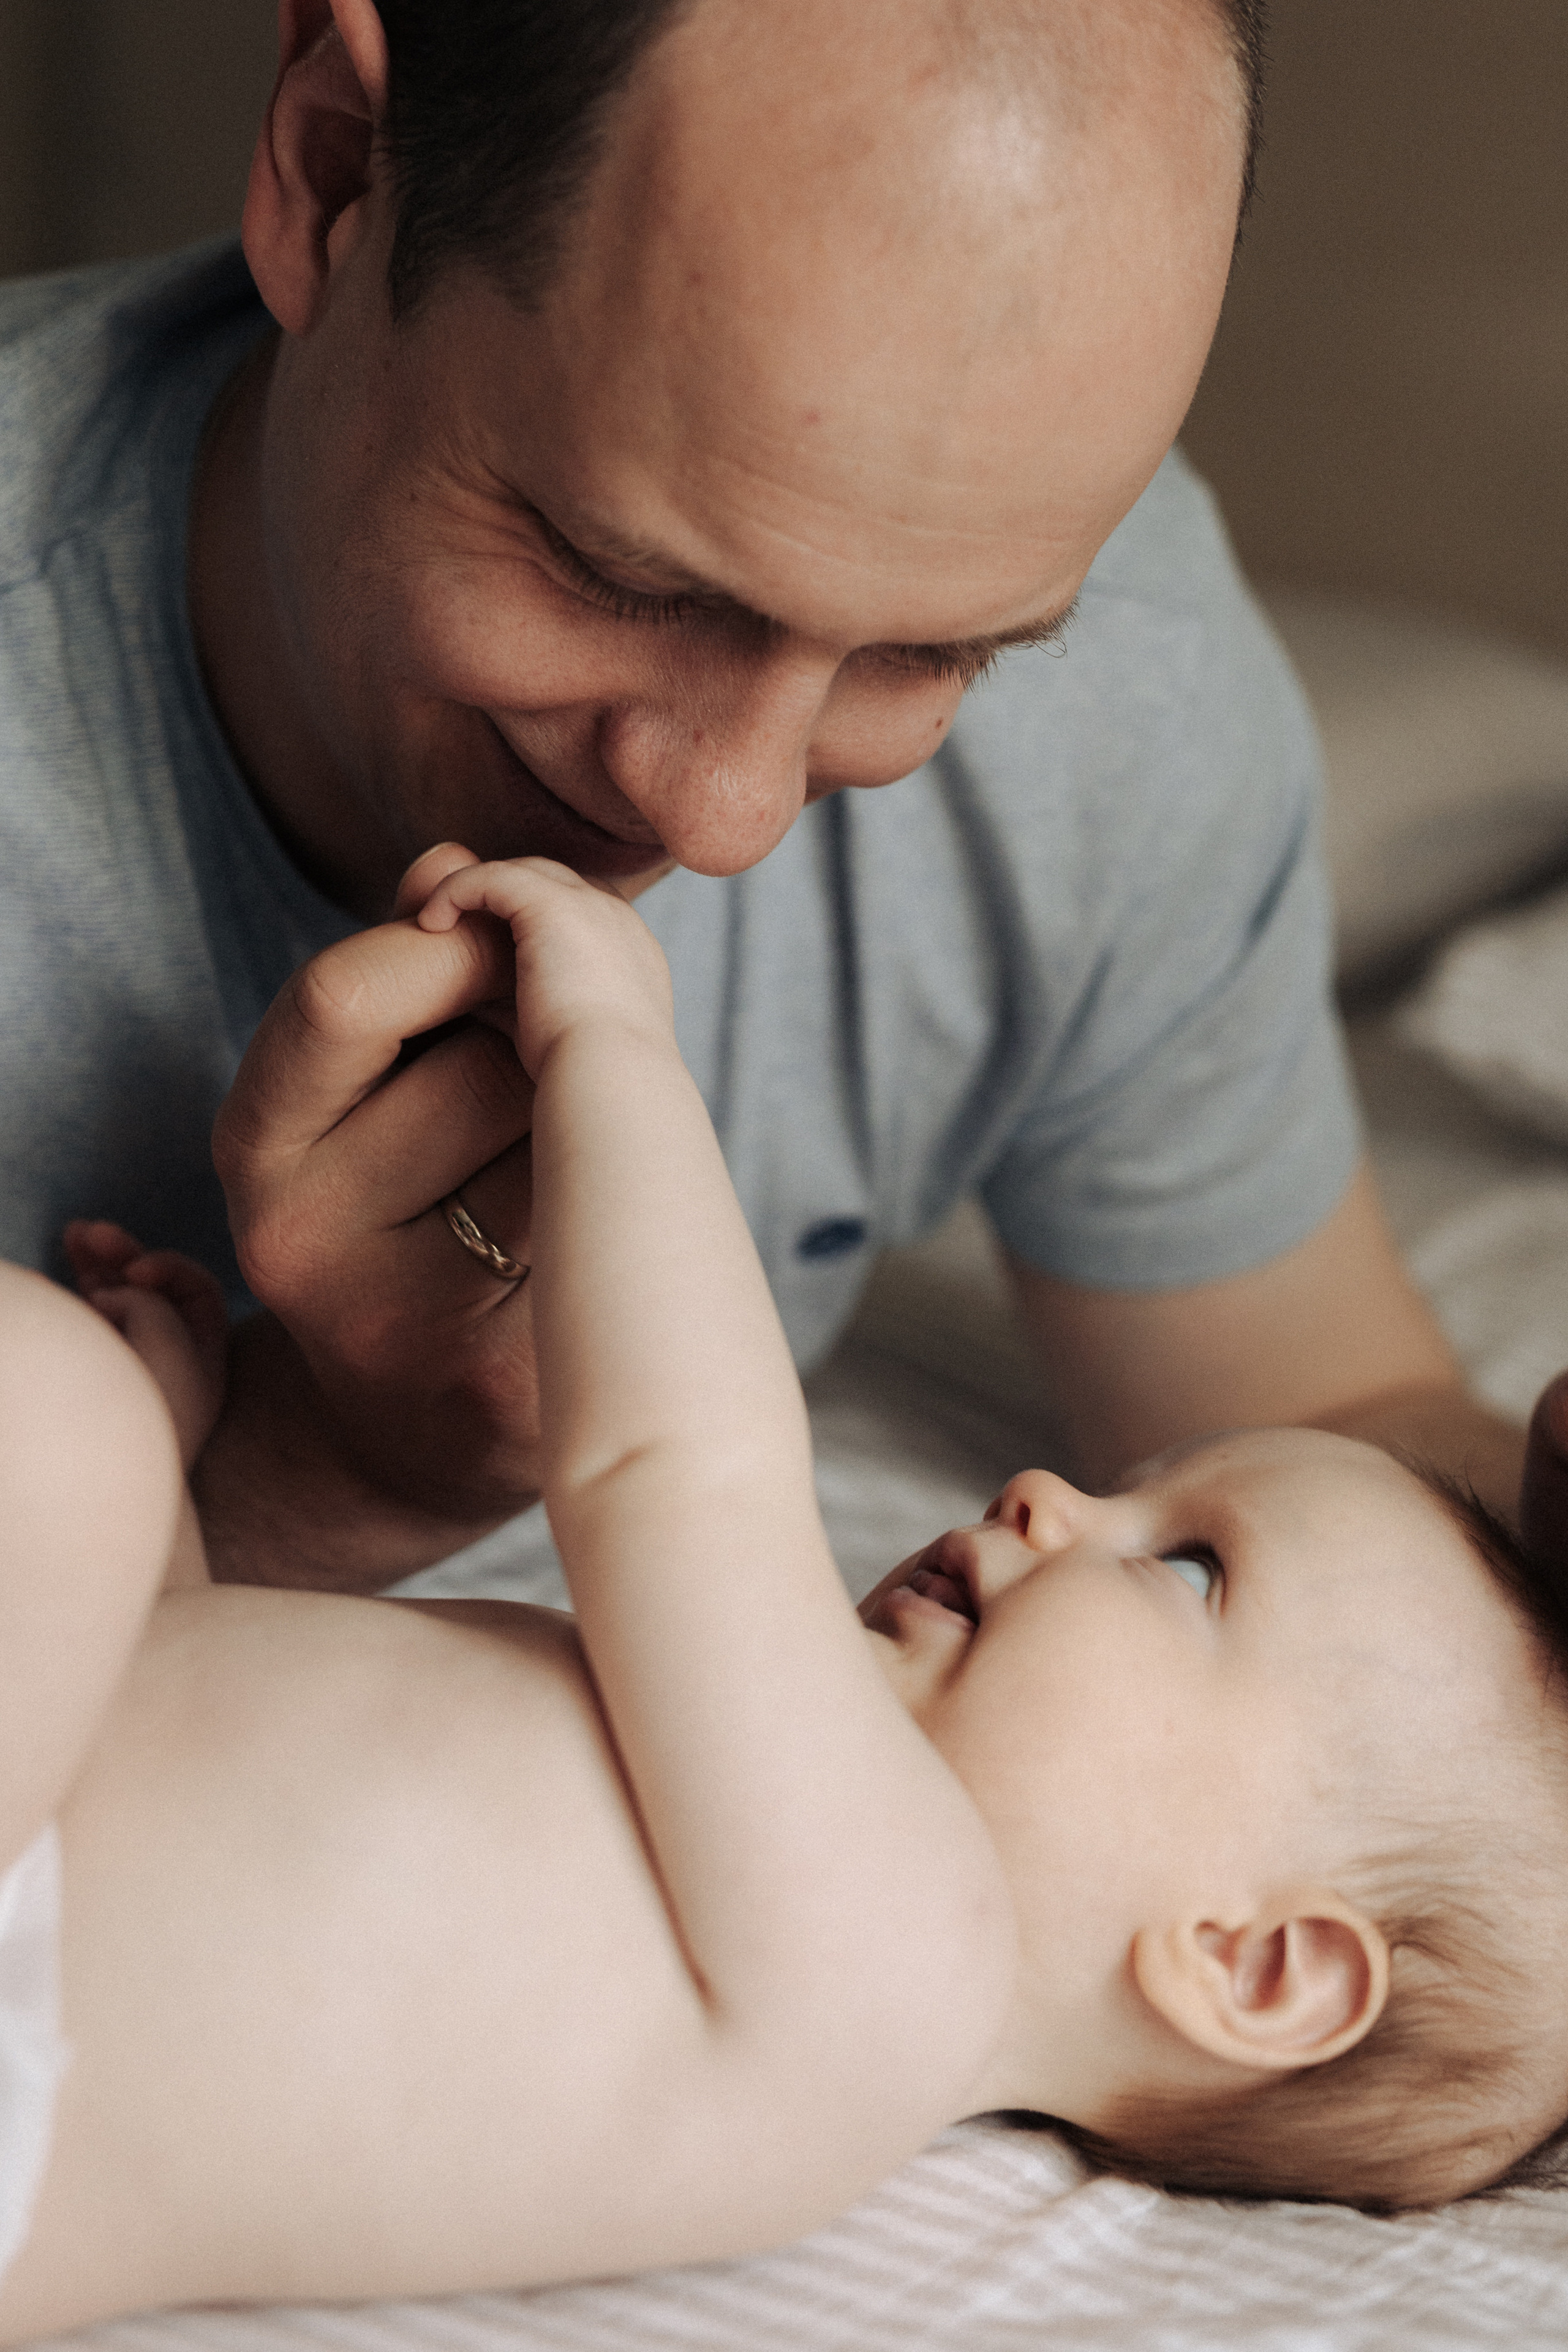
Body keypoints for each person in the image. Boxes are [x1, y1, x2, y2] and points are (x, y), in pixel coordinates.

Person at [0, 0, 1549, 1605]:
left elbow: (1327, 1412)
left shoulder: (1125, 681)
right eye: (622, 578)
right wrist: (334, 1478)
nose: (728, 821)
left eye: (930, 655)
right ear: (331, 175)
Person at [4, 858, 1568, 2343]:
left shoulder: (897, 1961)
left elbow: (679, 1468)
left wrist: (613, 1050)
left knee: (52, 1417)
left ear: (1251, 1966)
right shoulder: (805, 1890)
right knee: (87, 1445)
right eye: (1127, 1486)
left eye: (1183, 1564)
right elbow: (225, 1839)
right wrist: (157, 1578)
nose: (1045, 1498)